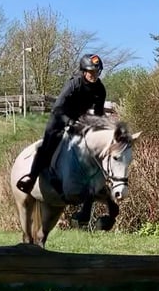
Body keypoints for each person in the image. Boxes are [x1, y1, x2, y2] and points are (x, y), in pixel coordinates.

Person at [16, 53, 107, 193]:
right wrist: (69, 121)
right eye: (91, 72)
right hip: (59, 118)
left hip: (80, 121)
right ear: (84, 71)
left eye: (97, 72)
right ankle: (31, 178)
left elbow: (99, 114)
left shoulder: (100, 89)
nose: (94, 75)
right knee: (49, 145)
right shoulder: (73, 84)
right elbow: (58, 107)